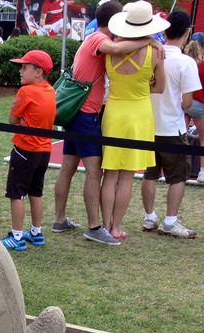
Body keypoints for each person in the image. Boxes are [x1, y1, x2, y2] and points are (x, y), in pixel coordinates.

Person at [52, 0, 162, 245]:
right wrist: (149, 40)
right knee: (94, 172)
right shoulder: (99, 41)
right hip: (86, 114)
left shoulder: (93, 39)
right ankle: (94, 226)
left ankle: (59, 219)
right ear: (114, 22)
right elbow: (115, 50)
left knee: (68, 167)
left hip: (75, 113)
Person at [100, 1, 167, 242]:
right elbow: (159, 87)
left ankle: (106, 226)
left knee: (110, 174)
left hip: (114, 112)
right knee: (127, 175)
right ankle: (116, 226)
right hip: (139, 114)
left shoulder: (110, 48)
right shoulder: (156, 52)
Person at [140, 11, 199, 239]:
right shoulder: (186, 62)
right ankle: (170, 221)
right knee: (178, 177)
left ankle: (149, 216)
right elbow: (187, 101)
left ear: (164, 31)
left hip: (148, 124)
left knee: (149, 173)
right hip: (173, 126)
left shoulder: (150, 55)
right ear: (187, 34)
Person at [0, 50, 56, 251]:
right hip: (44, 152)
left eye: (25, 67)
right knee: (36, 192)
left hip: (25, 149)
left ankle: (16, 236)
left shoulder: (26, 92)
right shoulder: (50, 90)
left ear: (39, 72)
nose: (20, 71)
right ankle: (36, 232)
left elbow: (13, 119)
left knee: (17, 194)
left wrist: (22, 119)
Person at [184, 39, 204, 182]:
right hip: (198, 103)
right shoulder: (201, 64)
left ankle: (181, 170)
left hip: (184, 102)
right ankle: (202, 172)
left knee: (181, 138)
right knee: (203, 139)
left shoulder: (186, 63)